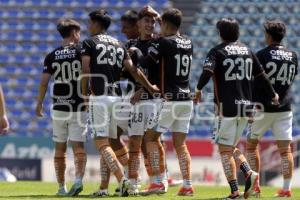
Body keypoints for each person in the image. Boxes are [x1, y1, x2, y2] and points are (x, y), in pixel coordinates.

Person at [194, 18, 279, 199]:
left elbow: (207, 72)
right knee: (230, 146)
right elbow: (262, 76)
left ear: (220, 33)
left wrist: (198, 89)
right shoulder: (248, 51)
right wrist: (273, 94)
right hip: (246, 109)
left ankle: (236, 189)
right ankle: (248, 173)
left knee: (224, 150)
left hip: (226, 108)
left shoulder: (217, 51)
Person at [80, 9, 159, 197]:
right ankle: (103, 188)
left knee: (101, 143)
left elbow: (85, 69)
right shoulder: (118, 44)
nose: (88, 26)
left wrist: (84, 94)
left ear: (97, 24)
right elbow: (133, 70)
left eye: (89, 23)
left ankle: (124, 180)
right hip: (117, 98)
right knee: (108, 142)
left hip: (99, 97)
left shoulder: (89, 42)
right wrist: (149, 86)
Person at [140, 8, 194, 196]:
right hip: (187, 99)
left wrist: (133, 55)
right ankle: (187, 185)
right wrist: (159, 17)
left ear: (165, 25)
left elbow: (146, 62)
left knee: (151, 137)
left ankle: (156, 182)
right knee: (180, 144)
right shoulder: (188, 41)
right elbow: (171, 27)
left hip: (169, 99)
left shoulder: (163, 43)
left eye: (160, 23)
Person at [36, 18, 87, 196]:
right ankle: (78, 181)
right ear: (74, 32)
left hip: (59, 107)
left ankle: (61, 188)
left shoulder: (51, 55)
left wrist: (39, 104)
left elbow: (44, 83)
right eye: (79, 32)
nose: (80, 36)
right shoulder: (82, 52)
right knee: (79, 147)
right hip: (79, 106)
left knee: (60, 148)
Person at [246, 20, 298, 198]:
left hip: (263, 108)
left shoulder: (261, 54)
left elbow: (254, 82)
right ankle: (286, 189)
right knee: (286, 150)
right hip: (285, 107)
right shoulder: (293, 55)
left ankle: (256, 186)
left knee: (252, 146)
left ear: (268, 35)